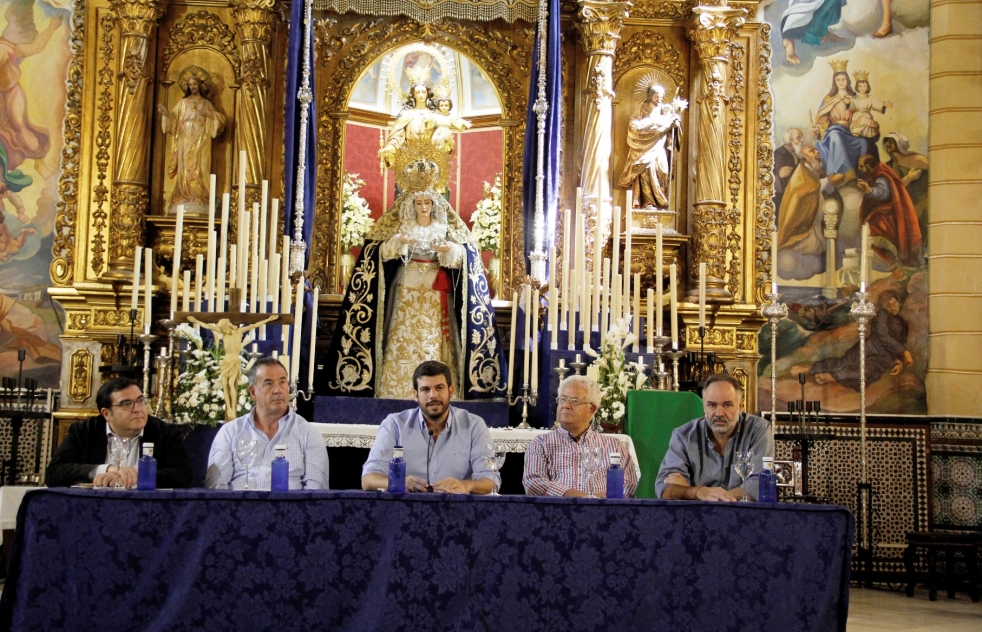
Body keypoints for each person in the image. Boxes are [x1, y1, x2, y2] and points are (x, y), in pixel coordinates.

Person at [361, 361, 499, 494]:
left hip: (457, 510)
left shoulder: (473, 425)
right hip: (406, 510)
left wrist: (466, 485)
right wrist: (397, 483)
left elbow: (491, 480)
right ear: (416, 395)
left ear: (451, 391)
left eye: (439, 388)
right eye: (425, 389)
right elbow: (368, 478)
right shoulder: (395, 424)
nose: (433, 395)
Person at [205, 357, 328, 489]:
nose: (278, 390)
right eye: (269, 384)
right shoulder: (230, 432)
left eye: (282, 382)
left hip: (289, 508)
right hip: (240, 507)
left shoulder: (308, 433)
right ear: (253, 392)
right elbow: (215, 488)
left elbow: (316, 491)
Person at [46, 377, 192, 488]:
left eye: (140, 400)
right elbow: (54, 473)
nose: (137, 409)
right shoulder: (84, 431)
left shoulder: (165, 433)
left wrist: (138, 476)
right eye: (126, 404)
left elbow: (183, 476)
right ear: (106, 414)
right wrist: (106, 470)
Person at [656, 374, 773, 501]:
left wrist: (697, 493)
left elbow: (761, 484)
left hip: (745, 516)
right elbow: (665, 489)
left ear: (740, 406)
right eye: (712, 405)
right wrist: (698, 492)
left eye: (727, 405)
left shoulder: (758, 430)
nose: (719, 413)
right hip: (696, 517)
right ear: (704, 406)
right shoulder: (683, 436)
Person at [523, 375, 638, 497]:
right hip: (557, 512)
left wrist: (602, 500)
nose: (566, 405)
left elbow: (629, 485)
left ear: (591, 409)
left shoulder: (614, 446)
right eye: (562, 399)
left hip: (604, 512)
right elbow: (533, 482)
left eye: (574, 401)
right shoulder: (541, 443)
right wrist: (578, 497)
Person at [809, 290, 912, 389]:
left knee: (867, 370)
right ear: (884, 307)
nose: (892, 307)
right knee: (844, 362)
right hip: (869, 348)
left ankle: (832, 377)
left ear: (899, 302)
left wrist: (898, 361)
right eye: (888, 305)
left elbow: (900, 343)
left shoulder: (903, 323)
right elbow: (882, 335)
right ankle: (811, 368)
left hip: (884, 357)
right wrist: (903, 352)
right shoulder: (882, 315)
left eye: (894, 303)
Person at [158, 68, 226, 214]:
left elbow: (219, 120)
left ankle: (200, 195)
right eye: (190, 85)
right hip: (185, 135)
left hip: (201, 137)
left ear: (200, 85)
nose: (192, 87)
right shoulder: (183, 102)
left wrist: (211, 115)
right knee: (185, 166)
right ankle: (185, 195)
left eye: (194, 84)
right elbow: (173, 117)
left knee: (200, 165)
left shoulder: (206, 103)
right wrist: (167, 115)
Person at [618, 84, 681, 209]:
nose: (659, 99)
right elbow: (633, 124)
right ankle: (648, 203)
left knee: (663, 170)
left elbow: (673, 125)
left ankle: (661, 203)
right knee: (646, 171)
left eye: (661, 97)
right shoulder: (643, 108)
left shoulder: (665, 110)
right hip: (644, 148)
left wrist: (675, 124)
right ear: (650, 95)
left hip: (659, 146)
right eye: (656, 96)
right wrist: (647, 125)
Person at [856, 154, 923, 267]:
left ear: (869, 166)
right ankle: (892, 259)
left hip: (886, 214)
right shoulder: (879, 173)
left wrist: (868, 190)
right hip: (883, 212)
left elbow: (883, 193)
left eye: (862, 166)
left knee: (873, 229)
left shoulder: (881, 176)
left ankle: (894, 258)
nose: (860, 169)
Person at [777, 144, 844, 255]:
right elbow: (801, 193)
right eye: (811, 151)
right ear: (804, 158)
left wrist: (831, 182)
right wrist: (829, 180)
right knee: (813, 248)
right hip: (802, 229)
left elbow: (826, 190)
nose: (816, 152)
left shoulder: (816, 168)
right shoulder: (800, 173)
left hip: (817, 221)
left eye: (816, 150)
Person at [812, 63, 875, 180]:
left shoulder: (855, 97)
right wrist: (818, 128)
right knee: (836, 137)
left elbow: (861, 114)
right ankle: (840, 172)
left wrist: (867, 121)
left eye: (843, 79)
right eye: (838, 80)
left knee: (863, 143)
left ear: (847, 81)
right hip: (834, 130)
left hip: (851, 131)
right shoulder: (828, 99)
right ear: (834, 82)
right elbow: (823, 118)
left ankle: (861, 174)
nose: (841, 82)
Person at [378, 82, 437, 171]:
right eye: (418, 92)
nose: (421, 95)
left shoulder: (434, 115)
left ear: (427, 94)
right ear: (413, 94)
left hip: (430, 156)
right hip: (409, 156)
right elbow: (397, 136)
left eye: (423, 92)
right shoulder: (405, 114)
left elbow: (441, 134)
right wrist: (391, 147)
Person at [849, 74, 891, 140]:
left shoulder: (870, 98)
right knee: (861, 120)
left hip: (867, 115)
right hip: (857, 116)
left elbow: (878, 104)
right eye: (860, 86)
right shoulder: (854, 98)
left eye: (864, 86)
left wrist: (884, 105)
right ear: (857, 87)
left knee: (868, 123)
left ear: (867, 87)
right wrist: (847, 103)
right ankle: (856, 132)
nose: (862, 88)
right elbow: (850, 106)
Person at [773, 127, 804, 214]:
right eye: (798, 137)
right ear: (789, 141)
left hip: (796, 194)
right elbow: (769, 178)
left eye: (802, 137)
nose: (802, 140)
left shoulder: (797, 153)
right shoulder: (778, 154)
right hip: (782, 196)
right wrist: (779, 176)